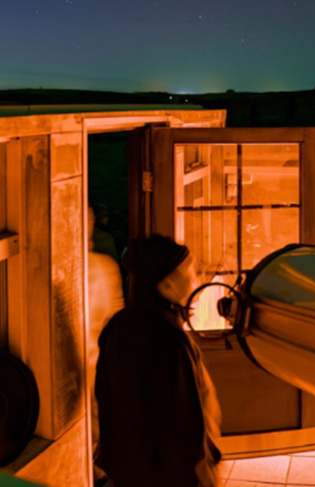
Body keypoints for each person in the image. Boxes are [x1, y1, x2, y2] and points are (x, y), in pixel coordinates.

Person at [95, 235, 222, 487]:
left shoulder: (118, 325)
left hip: (128, 469)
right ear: (166, 285)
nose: (196, 278)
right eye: (190, 271)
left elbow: (107, 397)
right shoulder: (168, 339)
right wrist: (199, 471)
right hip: (164, 476)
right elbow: (184, 420)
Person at [87, 208, 124, 481]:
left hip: (93, 360)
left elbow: (113, 318)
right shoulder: (102, 266)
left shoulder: (101, 266)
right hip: (91, 360)